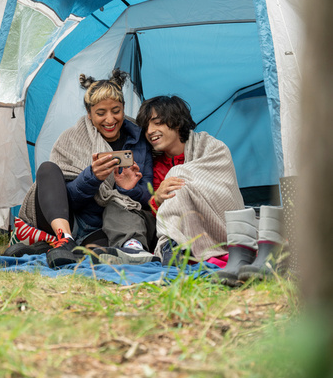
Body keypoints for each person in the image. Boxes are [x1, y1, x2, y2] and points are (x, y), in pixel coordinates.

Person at [16, 70, 155, 268]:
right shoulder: (71, 139)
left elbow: (147, 198)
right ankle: (64, 239)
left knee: (97, 255)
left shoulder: (140, 141)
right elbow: (66, 197)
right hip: (65, 218)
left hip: (104, 225)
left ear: (123, 108)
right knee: (47, 169)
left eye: (116, 110)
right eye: (100, 113)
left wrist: (127, 189)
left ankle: (49, 248)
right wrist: (92, 177)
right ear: (89, 115)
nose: (110, 120)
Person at [132, 95, 245, 264]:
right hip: (171, 231)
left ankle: (176, 248)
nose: (149, 131)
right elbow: (161, 215)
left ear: (176, 122)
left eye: (157, 123)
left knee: (177, 178)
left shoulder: (212, 148)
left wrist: (181, 180)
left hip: (214, 223)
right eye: (146, 126)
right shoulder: (152, 166)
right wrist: (157, 199)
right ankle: (173, 248)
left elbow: (225, 193)